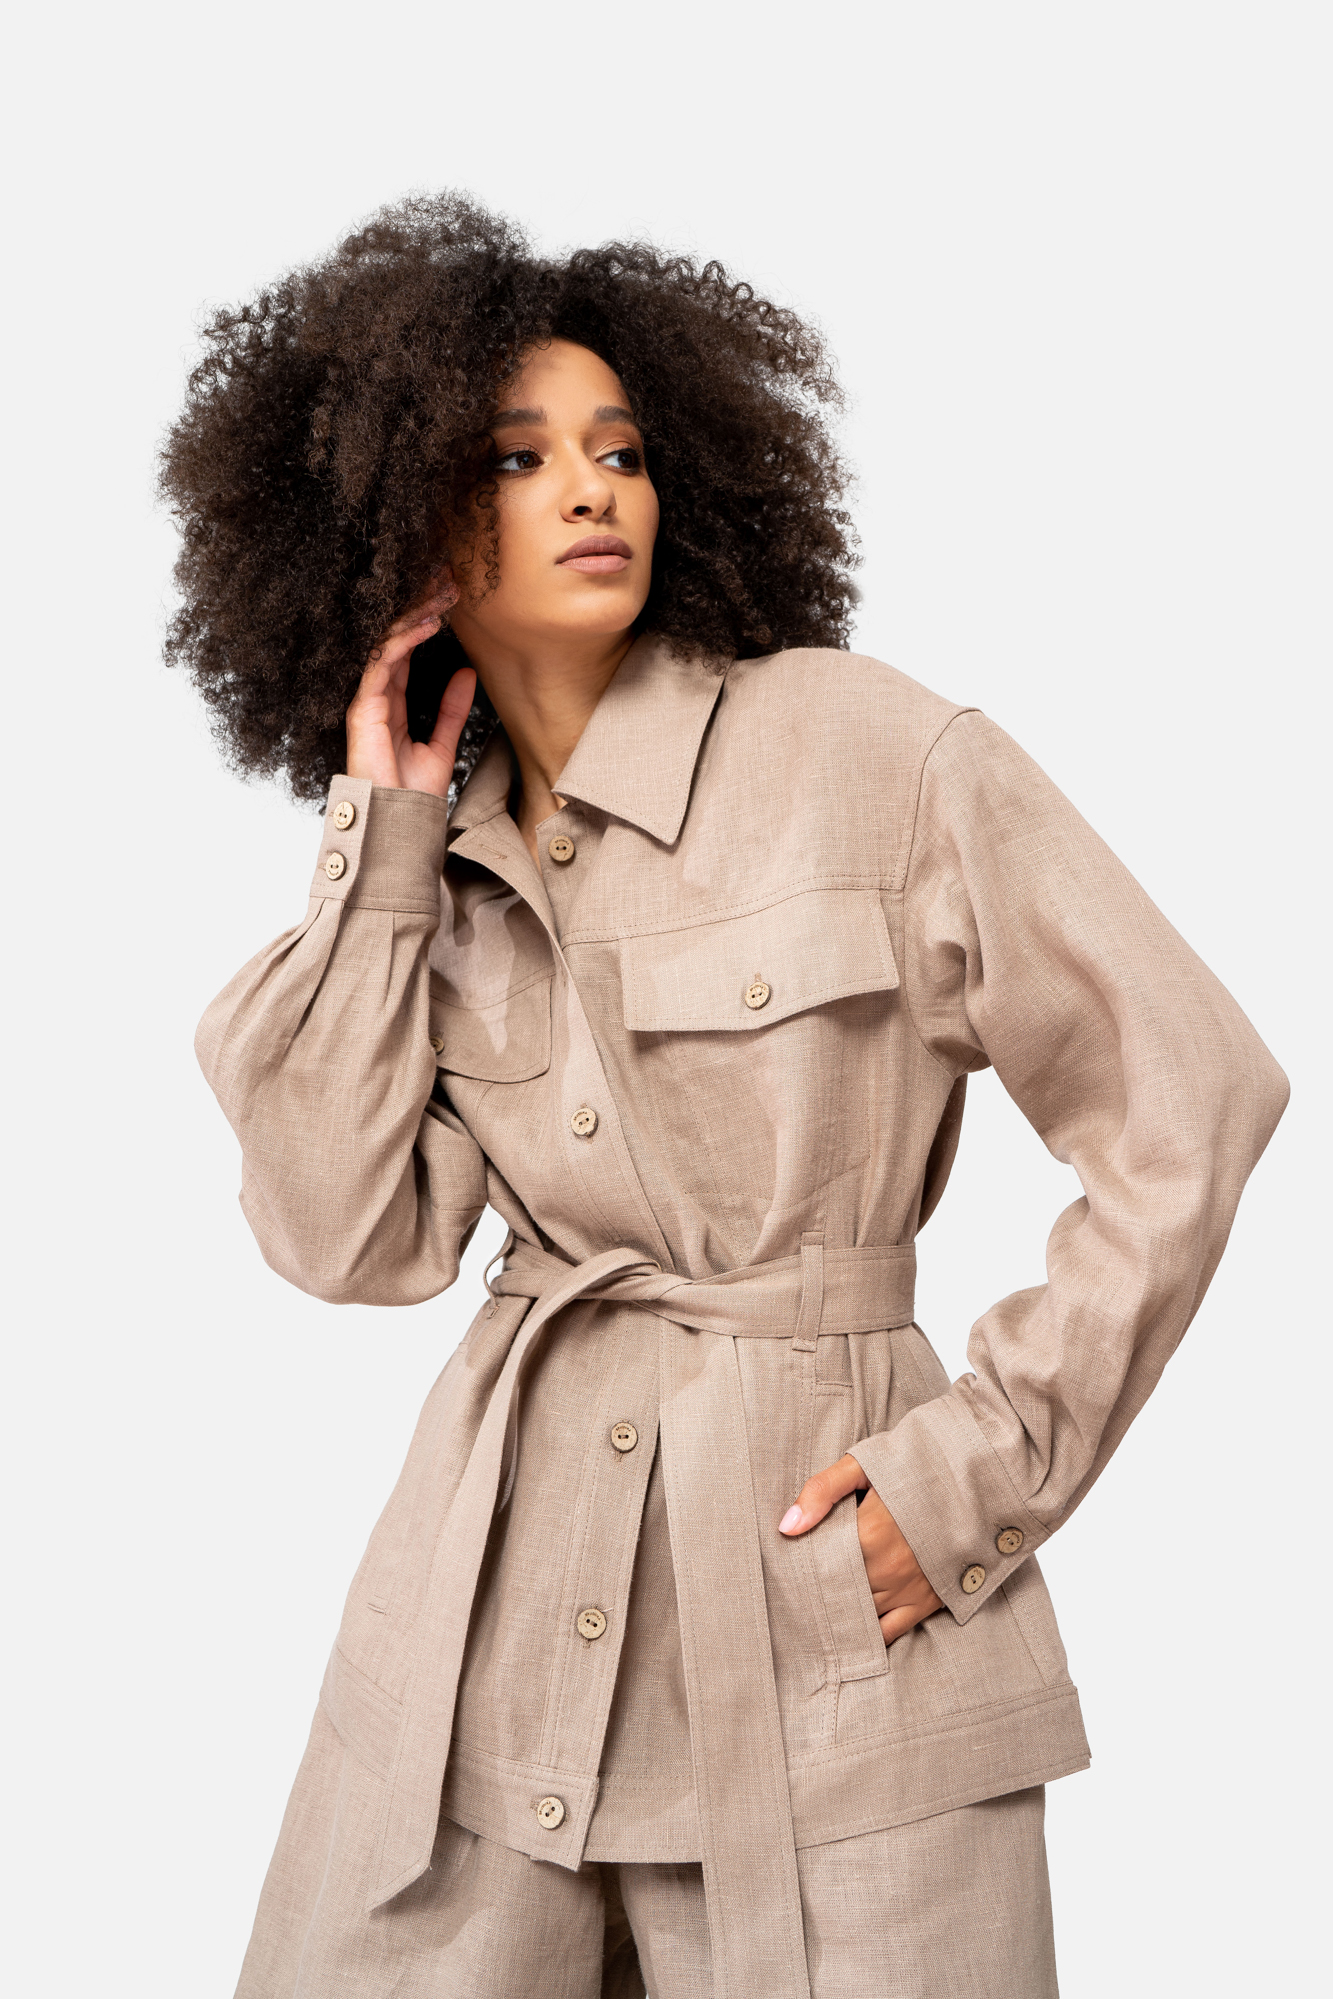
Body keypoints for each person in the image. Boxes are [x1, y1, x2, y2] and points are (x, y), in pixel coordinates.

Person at [164, 193, 1288, 1999]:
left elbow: (1193, 1094)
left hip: (828, 1639)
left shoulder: (867, 752)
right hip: (480, 1648)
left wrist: (982, 1470)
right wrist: (378, 850)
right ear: (396, 519)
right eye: (519, 457)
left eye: (618, 450)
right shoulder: (432, 875)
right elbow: (345, 1244)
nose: (589, 488)